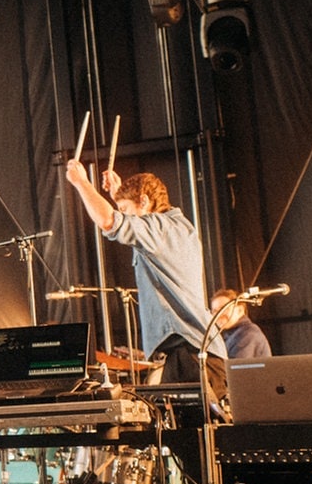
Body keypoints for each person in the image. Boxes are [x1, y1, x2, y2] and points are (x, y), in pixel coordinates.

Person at [65, 160, 226, 397]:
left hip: (194, 355)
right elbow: (126, 219)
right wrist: (115, 194)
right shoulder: (172, 228)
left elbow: (109, 222)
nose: (126, 217)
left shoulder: (160, 228)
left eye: (127, 210)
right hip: (189, 353)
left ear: (144, 201)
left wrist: (82, 183)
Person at [211, 288, 273, 361]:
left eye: (223, 309)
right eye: (215, 311)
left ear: (240, 311)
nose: (218, 315)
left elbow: (235, 369)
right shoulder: (229, 335)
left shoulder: (248, 334)